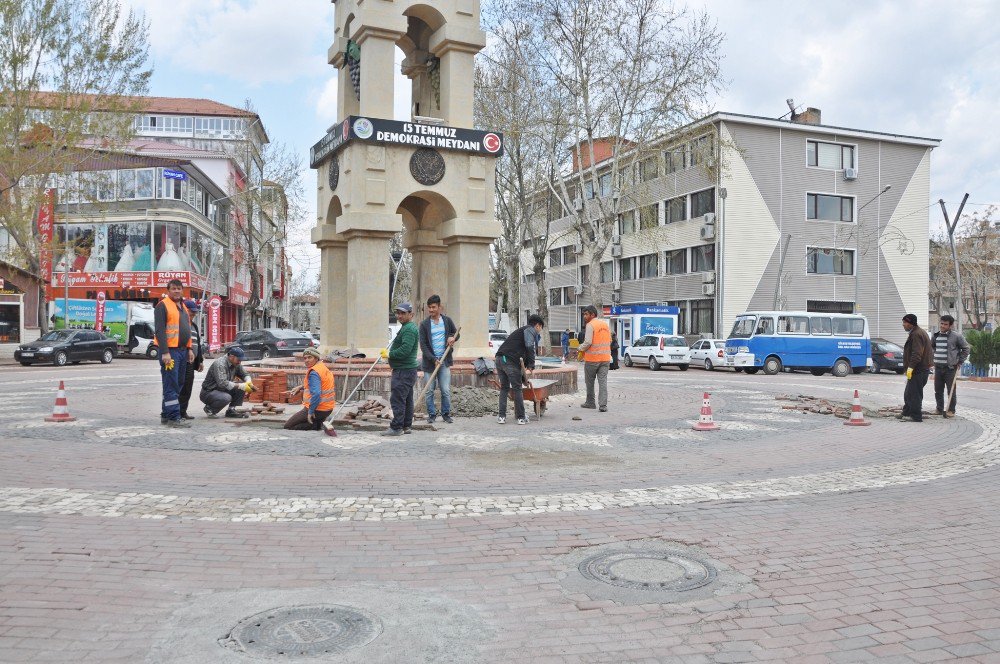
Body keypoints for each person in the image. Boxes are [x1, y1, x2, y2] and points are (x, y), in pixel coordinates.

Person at [154, 279, 195, 427]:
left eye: (179, 288)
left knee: (179, 383)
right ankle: (173, 417)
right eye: (174, 288)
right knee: (171, 384)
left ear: (182, 290)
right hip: (170, 352)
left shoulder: (182, 306)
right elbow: (159, 331)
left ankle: (166, 414)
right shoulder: (162, 306)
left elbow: (187, 330)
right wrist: (165, 352)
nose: (177, 291)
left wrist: (190, 348)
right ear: (168, 290)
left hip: (182, 351)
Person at [495, 314, 544, 425]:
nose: (540, 331)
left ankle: (501, 417)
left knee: (504, 388)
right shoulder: (529, 330)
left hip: (499, 359)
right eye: (541, 328)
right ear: (537, 325)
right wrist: (531, 364)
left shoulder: (520, 332)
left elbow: (523, 355)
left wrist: (524, 374)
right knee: (517, 389)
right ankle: (521, 417)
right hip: (509, 360)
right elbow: (529, 347)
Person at [418, 294, 457, 425]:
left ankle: (446, 414)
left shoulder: (447, 321)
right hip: (430, 363)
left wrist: (452, 337)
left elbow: (456, 333)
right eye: (429, 307)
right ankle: (432, 414)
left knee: (445, 390)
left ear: (440, 307)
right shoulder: (424, 325)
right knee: (429, 390)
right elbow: (423, 345)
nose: (431, 310)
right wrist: (433, 359)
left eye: (433, 307)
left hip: (444, 361)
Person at [383, 302, 419, 436]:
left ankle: (397, 427)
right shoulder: (406, 327)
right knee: (407, 399)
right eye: (398, 313)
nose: (399, 316)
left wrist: (389, 354)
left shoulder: (409, 329)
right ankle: (406, 426)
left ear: (411, 314)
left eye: (403, 313)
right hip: (407, 370)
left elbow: (405, 350)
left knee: (397, 399)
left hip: (403, 371)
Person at [285, 348, 336, 430]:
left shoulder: (314, 373)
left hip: (318, 409)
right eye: (305, 358)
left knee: (288, 426)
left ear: (316, 358)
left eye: (310, 357)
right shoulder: (322, 367)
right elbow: (318, 383)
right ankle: (318, 422)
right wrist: (300, 387)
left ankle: (317, 425)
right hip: (328, 408)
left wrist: (310, 411)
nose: (306, 360)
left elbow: (316, 394)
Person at [932, 314, 970, 418]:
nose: (943, 326)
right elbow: (933, 348)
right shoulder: (935, 336)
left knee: (951, 390)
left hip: (950, 368)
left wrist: (959, 361)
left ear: (951, 325)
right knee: (938, 390)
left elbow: (966, 349)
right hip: (938, 368)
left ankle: (951, 410)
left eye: (945, 324)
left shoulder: (956, 336)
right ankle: (939, 409)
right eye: (941, 323)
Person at [200, 346, 253, 418]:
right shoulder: (220, 364)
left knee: (241, 387)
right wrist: (241, 385)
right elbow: (222, 383)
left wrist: (248, 380)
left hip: (221, 390)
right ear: (231, 356)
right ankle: (210, 409)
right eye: (238, 360)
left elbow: (244, 374)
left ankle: (231, 410)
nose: (240, 362)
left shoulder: (236, 363)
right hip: (209, 392)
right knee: (227, 397)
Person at [577, 305, 612, 412]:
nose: (584, 316)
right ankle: (603, 405)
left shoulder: (590, 325)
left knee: (590, 382)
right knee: (603, 382)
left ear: (592, 314)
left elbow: (588, 342)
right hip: (605, 359)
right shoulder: (605, 325)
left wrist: (579, 348)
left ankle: (590, 402)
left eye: (586, 314)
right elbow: (609, 340)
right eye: (584, 314)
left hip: (592, 359)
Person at [900, 313, 933, 422]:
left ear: (911, 323)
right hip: (920, 369)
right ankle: (907, 412)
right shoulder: (917, 332)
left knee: (915, 394)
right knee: (909, 393)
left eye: (905, 322)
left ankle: (916, 416)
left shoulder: (916, 334)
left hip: (918, 370)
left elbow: (917, 354)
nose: (903, 325)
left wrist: (910, 367)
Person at [177, 299, 204, 420]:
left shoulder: (194, 326)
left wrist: (200, 361)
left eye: (194, 313)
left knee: (188, 387)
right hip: (182, 360)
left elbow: (197, 343)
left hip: (191, 363)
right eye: (191, 312)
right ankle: (176, 412)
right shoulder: (180, 324)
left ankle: (183, 411)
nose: (193, 315)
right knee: (181, 388)